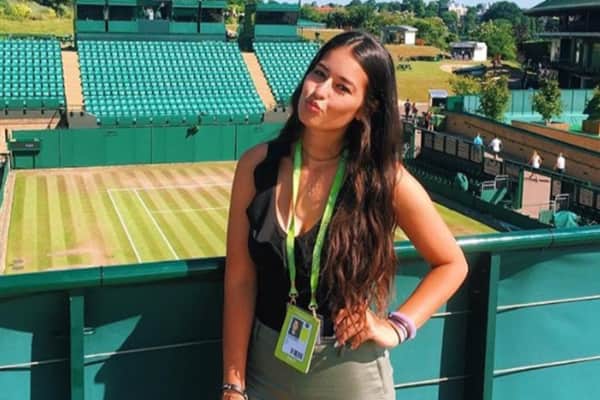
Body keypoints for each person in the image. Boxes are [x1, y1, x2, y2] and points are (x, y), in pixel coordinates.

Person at [222, 31, 468, 400]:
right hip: (265, 368)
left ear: (365, 108)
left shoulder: (385, 180)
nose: (318, 91)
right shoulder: (255, 166)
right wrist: (233, 384)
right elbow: (240, 280)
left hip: (350, 373)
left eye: (341, 87)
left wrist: (396, 327)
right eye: (319, 74)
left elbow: (452, 264)